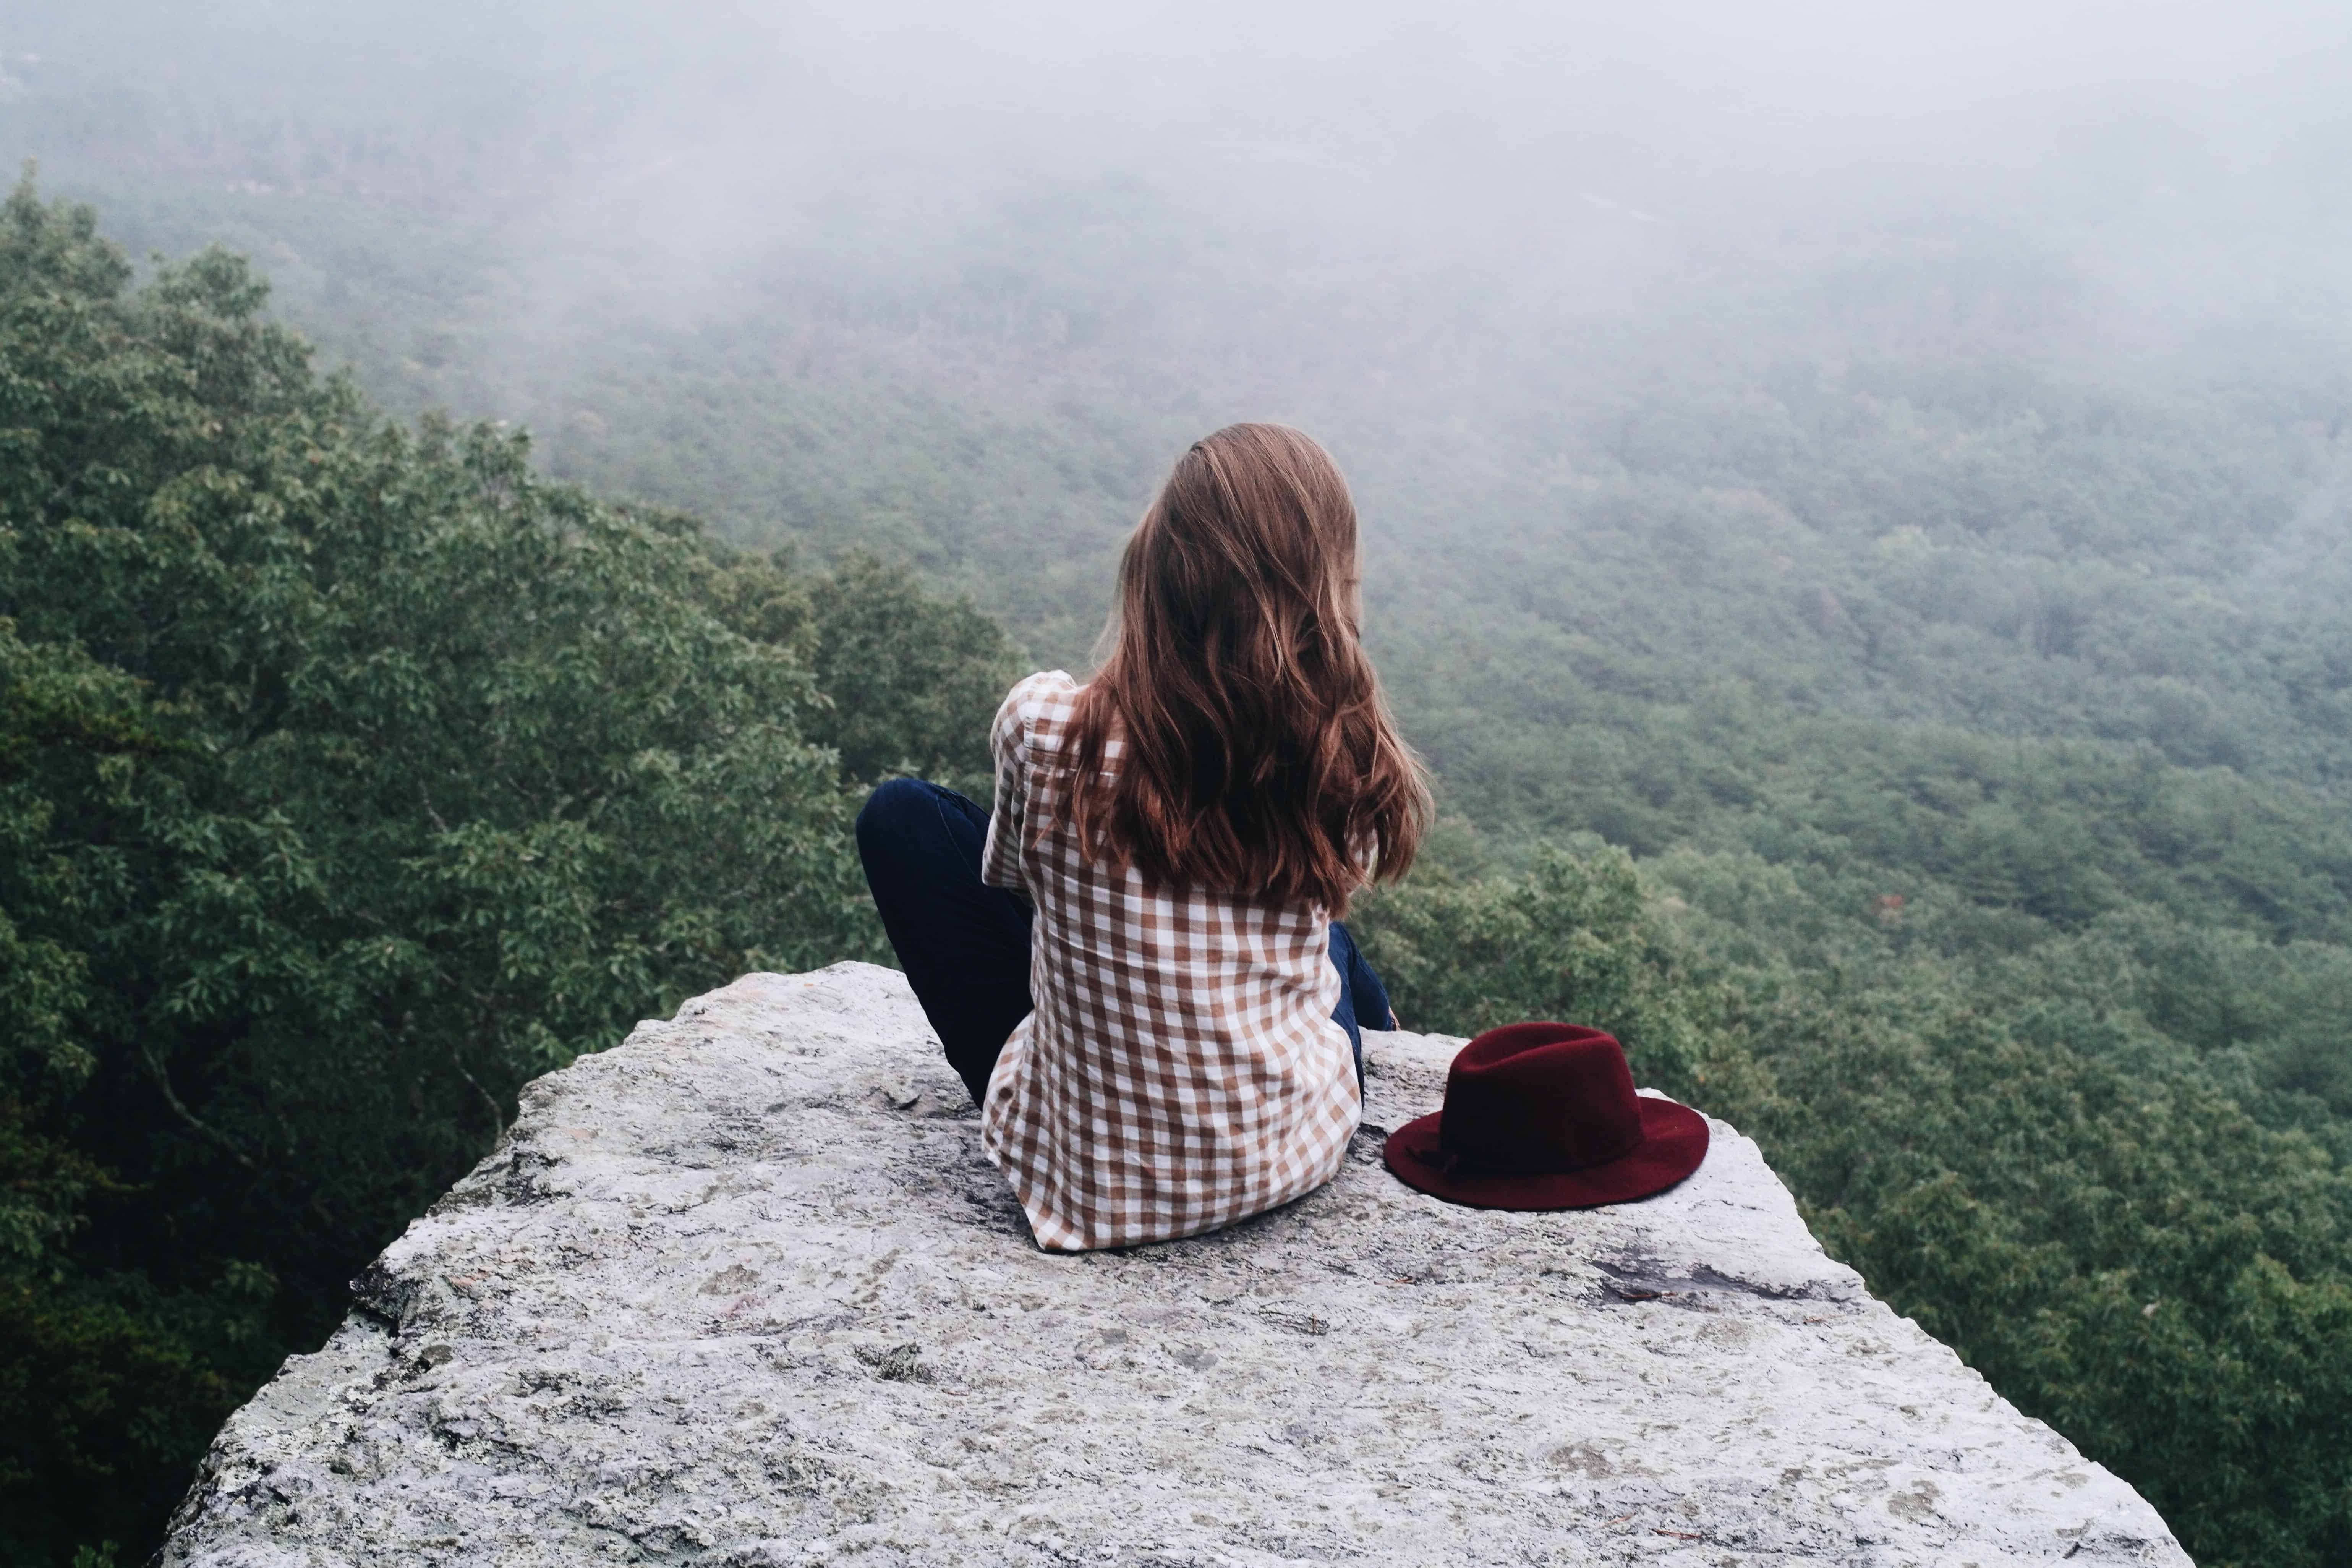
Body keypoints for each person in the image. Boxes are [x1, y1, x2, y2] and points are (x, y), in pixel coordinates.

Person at [856, 423, 1431, 1252]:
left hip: (1088, 1189)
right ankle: (1382, 1023)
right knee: (1327, 934)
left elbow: (1016, 887)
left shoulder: (1043, 725)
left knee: (902, 816)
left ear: (1159, 567)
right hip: (1293, 1153)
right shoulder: (1333, 750)